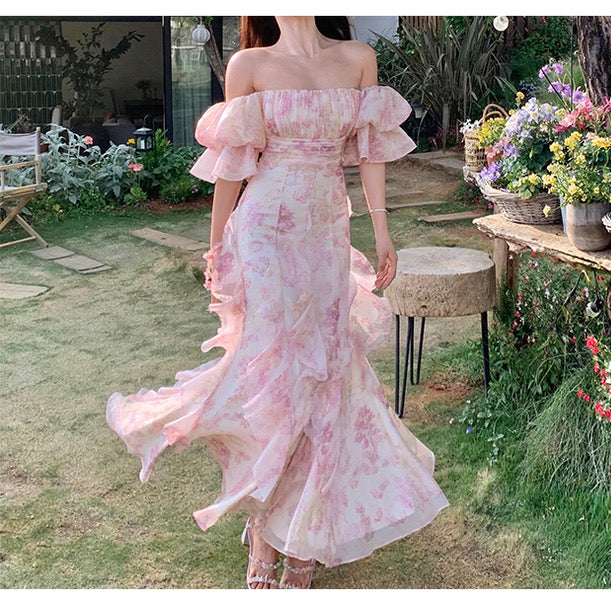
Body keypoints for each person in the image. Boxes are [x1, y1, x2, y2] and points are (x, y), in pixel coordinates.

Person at [106, 16, 449, 590]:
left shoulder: (358, 58)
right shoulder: (248, 65)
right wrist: (216, 248)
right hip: (265, 226)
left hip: (325, 227)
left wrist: (382, 230)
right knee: (276, 374)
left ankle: (302, 527)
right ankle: (266, 532)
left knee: (326, 370)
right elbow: (232, 166)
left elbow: (370, 153)